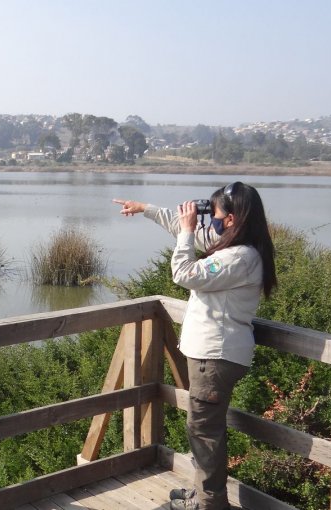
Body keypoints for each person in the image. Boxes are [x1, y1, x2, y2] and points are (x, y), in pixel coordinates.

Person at [113, 182, 277, 510]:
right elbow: (184, 231)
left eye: (215, 214)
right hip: (213, 355)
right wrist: (147, 209)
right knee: (204, 428)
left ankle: (210, 504)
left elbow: (183, 272)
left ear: (231, 220)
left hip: (214, 357)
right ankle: (204, 494)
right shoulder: (236, 245)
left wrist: (188, 232)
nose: (211, 221)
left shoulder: (239, 257)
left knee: (203, 431)